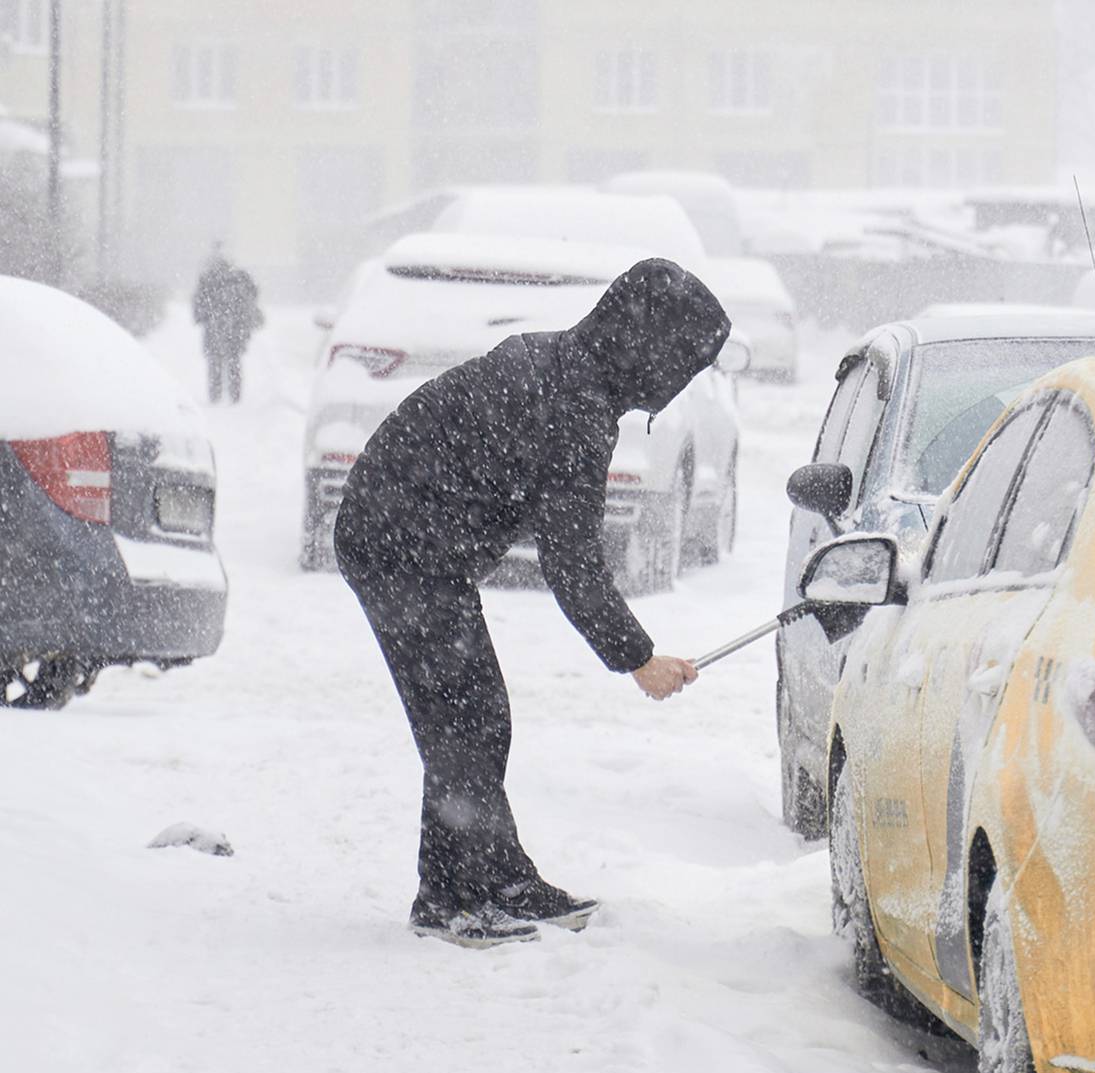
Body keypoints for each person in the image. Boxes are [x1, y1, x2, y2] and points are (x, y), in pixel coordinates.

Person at [333, 258, 731, 948]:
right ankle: (458, 898)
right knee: (466, 718)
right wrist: (638, 658)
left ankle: (488, 882)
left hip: (412, 538)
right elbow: (572, 563)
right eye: (682, 362)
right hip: (396, 542)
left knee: (473, 715)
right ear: (650, 348)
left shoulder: (572, 368)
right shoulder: (575, 405)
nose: (679, 381)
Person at [192, 245, 263, 404]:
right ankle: (234, 395)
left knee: (215, 362)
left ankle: (215, 395)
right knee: (234, 361)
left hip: (214, 326)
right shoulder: (240, 277)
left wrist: (202, 316)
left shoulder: (208, 279)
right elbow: (253, 294)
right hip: (235, 327)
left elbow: (198, 303)